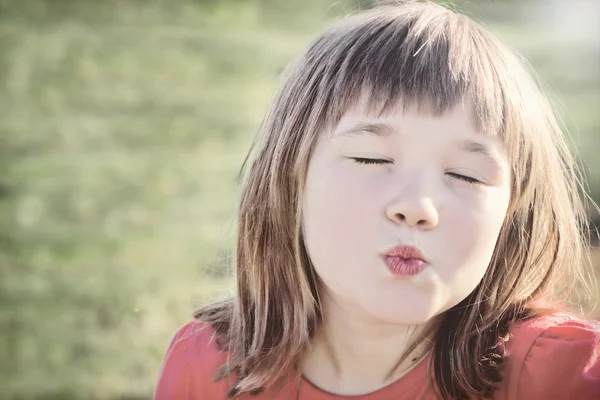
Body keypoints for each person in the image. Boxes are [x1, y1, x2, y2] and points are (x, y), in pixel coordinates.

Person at [154, 1, 600, 399]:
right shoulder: (207, 366)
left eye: (465, 174)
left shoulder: (563, 374)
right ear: (291, 178)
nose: (417, 207)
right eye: (370, 159)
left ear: (511, 211)